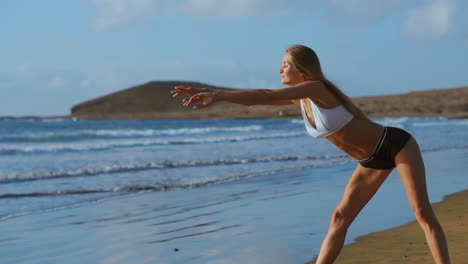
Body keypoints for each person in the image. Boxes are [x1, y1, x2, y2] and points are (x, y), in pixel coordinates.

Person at [170, 44, 451, 264]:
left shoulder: (318, 88)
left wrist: (217, 94)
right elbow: (257, 97)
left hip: (396, 144)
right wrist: (210, 93)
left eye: (285, 64)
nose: (280, 69)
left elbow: (266, 94)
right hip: (370, 161)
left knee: (422, 214)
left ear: (302, 69)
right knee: (339, 218)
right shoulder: (299, 98)